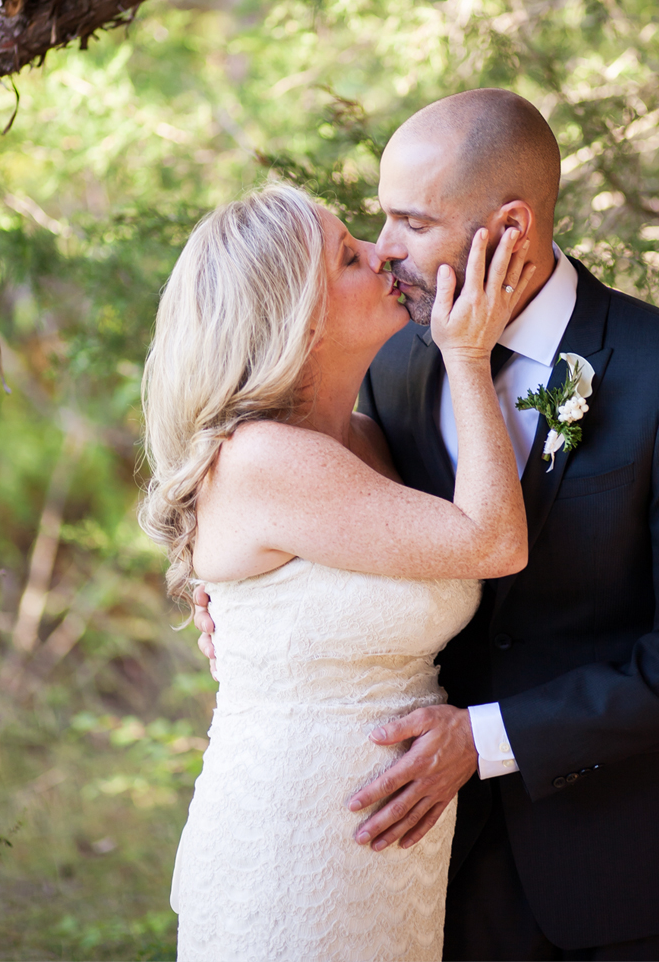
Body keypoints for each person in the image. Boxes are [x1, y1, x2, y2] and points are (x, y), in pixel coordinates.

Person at [197, 90, 659, 960]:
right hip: (426, 861)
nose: (384, 251)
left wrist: (487, 739)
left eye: (410, 222)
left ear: (511, 226)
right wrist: (242, 614)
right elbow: (317, 523)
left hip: (627, 861)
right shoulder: (391, 363)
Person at [143, 181, 533, 960]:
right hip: (293, 849)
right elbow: (493, 542)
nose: (384, 253)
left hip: (387, 850)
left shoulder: (365, 439)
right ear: (301, 315)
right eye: (350, 256)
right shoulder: (263, 458)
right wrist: (466, 352)